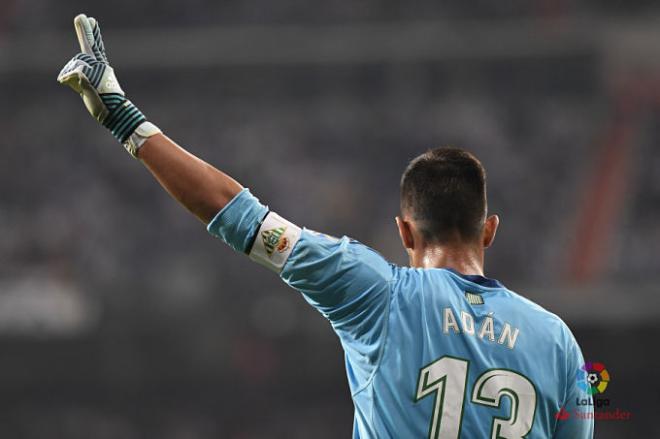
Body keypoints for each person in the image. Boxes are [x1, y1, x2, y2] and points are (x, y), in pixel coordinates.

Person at [57, 14, 594, 438]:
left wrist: (122, 116)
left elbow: (233, 212)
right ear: (490, 229)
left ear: (405, 232)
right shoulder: (557, 344)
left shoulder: (374, 292)